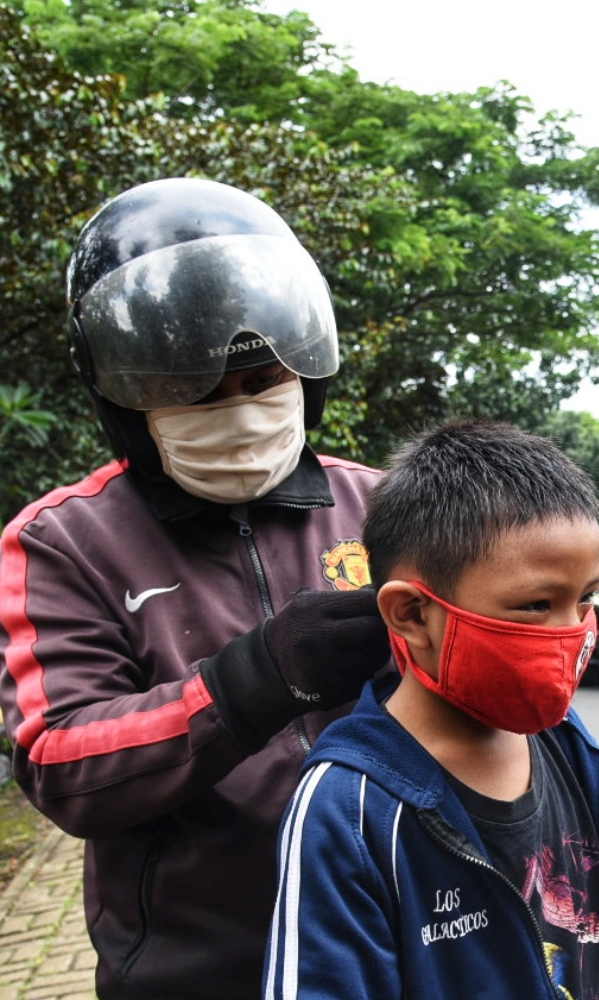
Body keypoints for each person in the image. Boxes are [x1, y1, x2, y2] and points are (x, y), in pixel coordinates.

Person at [0, 177, 390, 1000]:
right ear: (123, 399)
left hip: (389, 939)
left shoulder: (382, 506)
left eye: (261, 382)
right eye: (194, 392)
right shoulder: (62, 541)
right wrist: (253, 682)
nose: (239, 413)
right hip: (200, 968)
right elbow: (57, 759)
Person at [263, 419, 599, 1000]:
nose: (571, 633)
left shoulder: (567, 743)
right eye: (536, 605)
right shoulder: (349, 808)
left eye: (585, 599)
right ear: (411, 614)